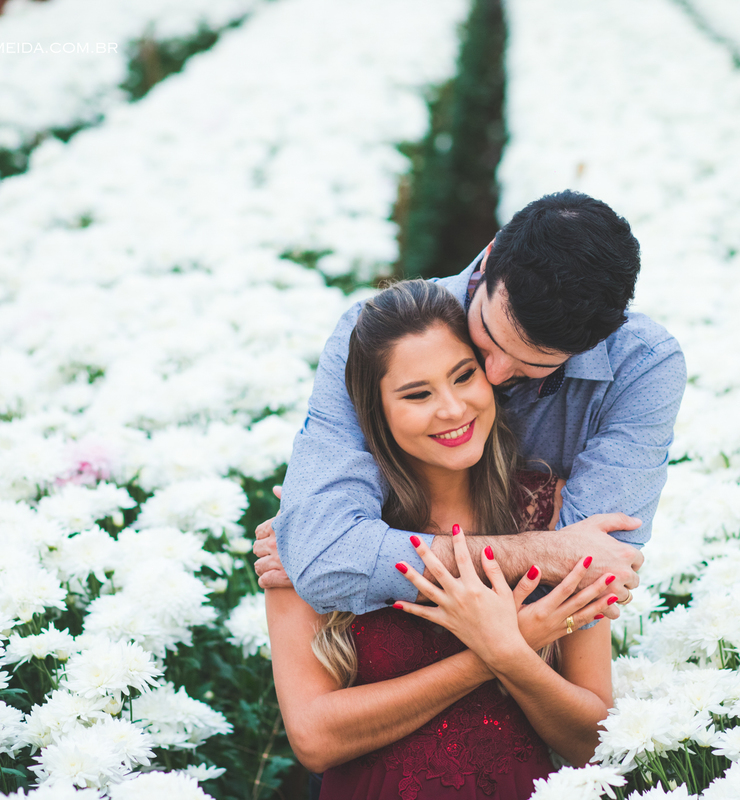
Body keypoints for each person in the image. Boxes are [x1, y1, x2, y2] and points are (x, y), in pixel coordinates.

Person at [257, 190, 686, 618]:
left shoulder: (643, 365)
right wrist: (545, 549)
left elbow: (592, 584)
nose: (495, 375)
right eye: (489, 336)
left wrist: (371, 552)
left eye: (534, 365)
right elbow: (326, 559)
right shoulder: (373, 332)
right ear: (489, 258)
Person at [266, 281, 616, 799]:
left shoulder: (555, 513)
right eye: (417, 394)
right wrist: (497, 650)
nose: (452, 409)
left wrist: (512, 657)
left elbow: (594, 742)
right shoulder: (322, 528)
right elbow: (314, 738)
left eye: (463, 375)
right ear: (374, 410)